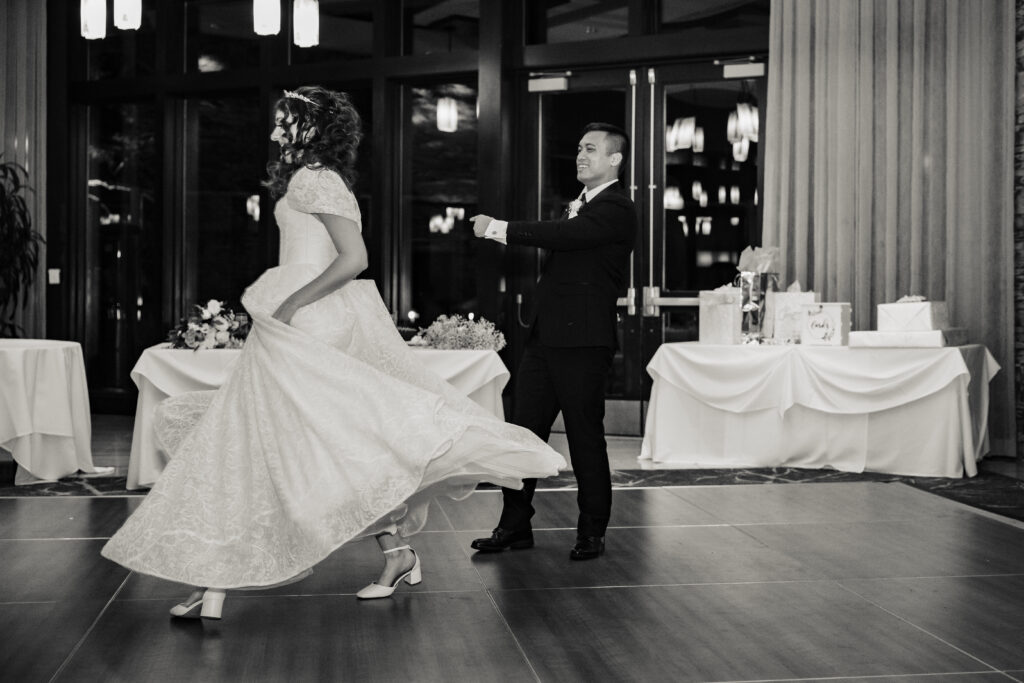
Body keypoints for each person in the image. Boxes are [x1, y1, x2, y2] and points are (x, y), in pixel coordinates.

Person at [101, 86, 565, 619]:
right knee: (303, 449)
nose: (275, 132)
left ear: (311, 129)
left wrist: (291, 305)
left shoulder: (314, 179)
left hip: (305, 323)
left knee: (282, 448)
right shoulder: (318, 179)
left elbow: (354, 258)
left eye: (284, 122)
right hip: (294, 322)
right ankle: (377, 556)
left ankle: (219, 581)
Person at [468, 122, 638, 561]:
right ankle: (514, 526)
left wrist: (496, 228)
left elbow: (565, 238)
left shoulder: (618, 207)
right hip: (545, 341)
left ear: (615, 159)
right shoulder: (578, 205)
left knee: (584, 437)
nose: (581, 156)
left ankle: (592, 531)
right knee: (523, 434)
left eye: (592, 149)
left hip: (583, 342)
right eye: (579, 148)